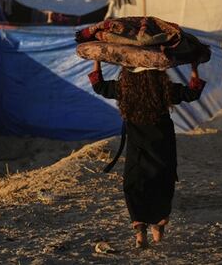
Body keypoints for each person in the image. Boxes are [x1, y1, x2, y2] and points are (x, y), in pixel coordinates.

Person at [88, 60, 206, 249]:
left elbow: (99, 86)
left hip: (138, 147)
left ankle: (139, 228)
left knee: (135, 184)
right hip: (163, 145)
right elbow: (192, 92)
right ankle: (158, 225)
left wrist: (97, 60)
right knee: (162, 182)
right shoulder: (164, 88)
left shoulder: (124, 89)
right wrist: (194, 66)